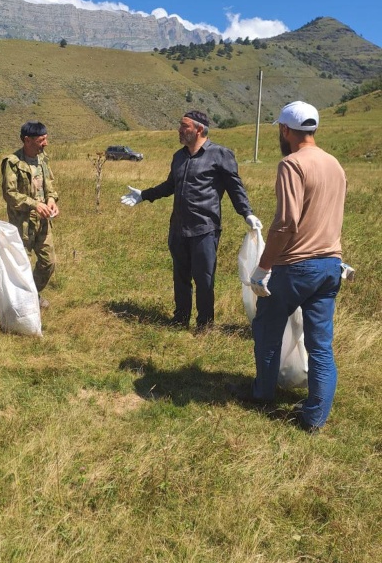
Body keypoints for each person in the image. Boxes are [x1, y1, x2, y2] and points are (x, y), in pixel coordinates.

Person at [228, 101, 347, 432]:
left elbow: (286, 224)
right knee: (320, 346)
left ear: (285, 130)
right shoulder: (335, 165)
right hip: (330, 265)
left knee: (267, 328)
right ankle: (314, 418)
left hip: (295, 266)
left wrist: (262, 269)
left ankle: (262, 394)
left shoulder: (292, 165)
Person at [121, 110, 261, 330]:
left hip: (204, 229)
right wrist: (144, 195)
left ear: (198, 129)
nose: (179, 129)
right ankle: (180, 319)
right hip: (178, 228)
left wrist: (247, 213)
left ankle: (205, 324)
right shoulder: (179, 156)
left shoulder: (220, 155)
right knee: (181, 277)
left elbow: (235, 188)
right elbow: (170, 186)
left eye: (184, 126)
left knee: (204, 279)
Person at [1, 122, 59, 307]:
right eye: (42, 140)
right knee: (22, 266)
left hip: (43, 222)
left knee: (48, 262)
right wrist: (35, 205)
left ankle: (32, 294)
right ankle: (20, 303)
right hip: (22, 225)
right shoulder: (13, 162)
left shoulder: (43, 159)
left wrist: (51, 201)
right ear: (27, 140)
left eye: (46, 139)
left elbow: (49, 186)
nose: (46, 143)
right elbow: (10, 194)